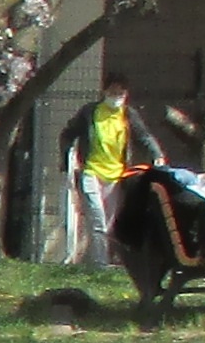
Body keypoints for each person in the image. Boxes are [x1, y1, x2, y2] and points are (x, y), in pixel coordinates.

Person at [64, 63, 155, 260]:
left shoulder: (128, 114)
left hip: (116, 175)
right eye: (113, 93)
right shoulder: (90, 112)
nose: (117, 98)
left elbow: (144, 136)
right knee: (97, 220)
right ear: (104, 91)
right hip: (92, 171)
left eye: (121, 94)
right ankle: (100, 265)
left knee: (110, 223)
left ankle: (100, 260)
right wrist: (67, 161)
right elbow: (68, 134)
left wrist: (157, 155)